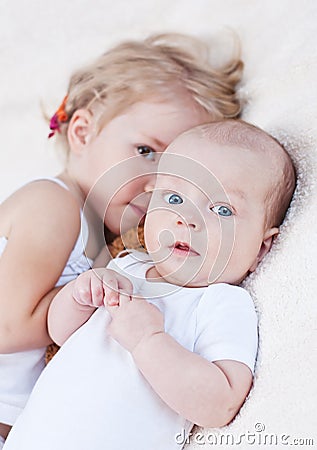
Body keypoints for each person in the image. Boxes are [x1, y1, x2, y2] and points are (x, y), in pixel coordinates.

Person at [0, 33, 244, 448]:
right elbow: (7, 325)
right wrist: (99, 295)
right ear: (82, 131)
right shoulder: (53, 206)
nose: (155, 184)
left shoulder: (111, 240)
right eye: (146, 150)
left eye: (176, 175)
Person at [3, 120, 296, 450]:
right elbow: (61, 334)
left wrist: (148, 341)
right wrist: (80, 296)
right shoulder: (128, 265)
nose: (186, 218)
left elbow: (220, 403)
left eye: (222, 209)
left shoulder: (223, 303)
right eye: (173, 198)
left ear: (261, 248)